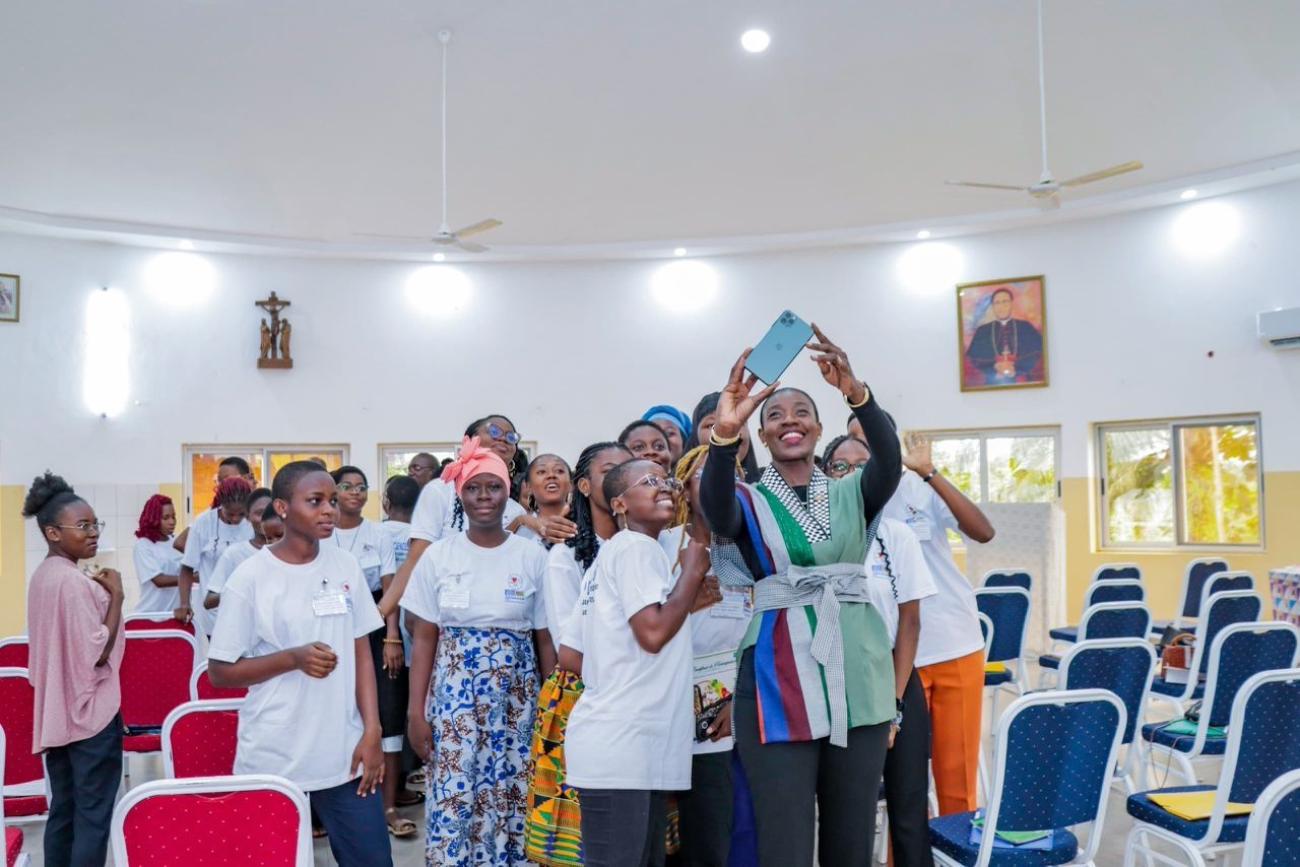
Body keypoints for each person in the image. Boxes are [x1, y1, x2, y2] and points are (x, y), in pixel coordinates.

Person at [700, 325, 902, 867]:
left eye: (801, 412)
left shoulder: (853, 491)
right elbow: (714, 509)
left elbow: (891, 460)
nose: (789, 420)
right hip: (773, 679)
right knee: (785, 842)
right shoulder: (747, 497)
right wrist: (723, 435)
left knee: (851, 837)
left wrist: (856, 391)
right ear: (762, 436)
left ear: (818, 427)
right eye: (774, 415)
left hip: (858, 675)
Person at [208, 461, 391, 867]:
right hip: (275, 754)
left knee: (373, 859)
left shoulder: (345, 566)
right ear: (283, 508)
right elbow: (220, 672)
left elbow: (362, 650)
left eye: (331, 500)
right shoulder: (251, 577)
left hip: (345, 754)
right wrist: (291, 659)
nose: (330, 509)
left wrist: (372, 731)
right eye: (315, 501)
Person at [402, 436, 556, 865]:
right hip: (454, 703)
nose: (483, 497)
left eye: (493, 487)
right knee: (456, 792)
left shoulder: (531, 557)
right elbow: (426, 636)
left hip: (518, 702)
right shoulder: (438, 557)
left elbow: (544, 638)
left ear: (510, 492)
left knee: (513, 792)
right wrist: (417, 712)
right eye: (473, 488)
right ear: (459, 493)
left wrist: (552, 710)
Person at [565, 458, 709, 867]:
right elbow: (652, 633)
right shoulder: (636, 548)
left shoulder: (609, 557)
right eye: (649, 482)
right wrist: (692, 575)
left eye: (665, 479)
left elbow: (571, 653)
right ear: (620, 504)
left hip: (620, 745)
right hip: (624, 748)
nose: (664, 486)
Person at [824, 436, 936, 867]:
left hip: (896, 680)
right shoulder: (817, 540)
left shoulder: (897, 536)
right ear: (825, 475)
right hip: (840, 685)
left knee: (908, 812)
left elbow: (910, 620)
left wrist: (894, 704)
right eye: (840, 466)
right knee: (851, 813)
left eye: (864, 466)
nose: (853, 475)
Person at [526, 441, 633, 867]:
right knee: (585, 840)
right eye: (611, 470)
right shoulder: (565, 556)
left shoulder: (651, 546)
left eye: (633, 468)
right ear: (585, 486)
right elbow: (569, 651)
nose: (626, 477)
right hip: (586, 701)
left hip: (638, 699)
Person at [879, 431, 994, 818]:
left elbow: (983, 532)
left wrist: (931, 473)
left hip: (953, 643)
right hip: (895, 660)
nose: (865, 450)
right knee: (904, 784)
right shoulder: (850, 499)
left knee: (956, 778)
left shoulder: (919, 486)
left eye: (870, 437)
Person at [23, 473, 125, 867]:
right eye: (82, 526)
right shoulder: (73, 583)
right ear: (52, 532)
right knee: (93, 817)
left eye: (95, 524)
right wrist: (116, 595)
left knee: (64, 810)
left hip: (59, 711)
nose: (93, 533)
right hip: (90, 716)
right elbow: (97, 653)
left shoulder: (44, 576)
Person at [664, 444, 752, 867]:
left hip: (733, 703)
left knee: (718, 833)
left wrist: (739, 699)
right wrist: (685, 603)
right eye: (705, 475)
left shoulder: (753, 547)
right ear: (682, 489)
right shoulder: (660, 545)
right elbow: (642, 631)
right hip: (667, 701)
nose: (719, 484)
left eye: (729, 476)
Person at [376, 415, 532, 620]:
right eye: (494, 431)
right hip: (437, 614)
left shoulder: (515, 510)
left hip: (493, 615)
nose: (503, 439)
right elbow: (416, 557)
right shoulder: (440, 491)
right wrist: (380, 614)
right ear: (469, 440)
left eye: (511, 437)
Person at [329, 465, 411, 838]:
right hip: (332, 625)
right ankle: (328, 809)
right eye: (347, 486)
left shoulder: (376, 534)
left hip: (377, 625)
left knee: (388, 712)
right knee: (338, 711)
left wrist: (392, 638)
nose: (356, 493)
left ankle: (388, 806)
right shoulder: (323, 533)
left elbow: (390, 587)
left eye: (362, 487)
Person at [176, 476, 253, 635]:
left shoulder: (254, 523)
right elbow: (187, 567)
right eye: (230, 514)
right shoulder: (203, 523)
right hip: (211, 611)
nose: (236, 519)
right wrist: (184, 604)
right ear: (220, 504)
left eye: (241, 513)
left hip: (248, 610)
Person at [204, 489, 282, 615]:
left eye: (270, 512)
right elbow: (209, 601)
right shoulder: (234, 553)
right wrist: (243, 588)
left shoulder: (292, 553)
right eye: (259, 513)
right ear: (248, 516)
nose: (265, 518)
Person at [963, 287, 1044, 386]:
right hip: (992, 383)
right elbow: (974, 359)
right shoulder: (983, 331)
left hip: (1022, 381)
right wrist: (995, 367)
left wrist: (1016, 368)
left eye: (1005, 301)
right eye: (997, 303)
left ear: (1011, 303)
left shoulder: (1025, 327)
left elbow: (1037, 354)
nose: (1001, 306)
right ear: (993, 306)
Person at [173, 456, 256, 553]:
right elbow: (180, 543)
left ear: (246, 478)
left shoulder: (258, 508)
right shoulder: (214, 512)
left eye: (226, 479)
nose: (220, 484)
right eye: (219, 480)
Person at [691, 392, 761, 483]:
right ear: (695, 437)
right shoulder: (676, 492)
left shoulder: (768, 489)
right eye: (711, 425)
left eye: (737, 423)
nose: (727, 432)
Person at [132, 493, 183, 613]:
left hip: (173, 615)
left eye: (173, 516)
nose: (172, 522)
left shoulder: (175, 542)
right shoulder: (143, 545)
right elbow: (159, 580)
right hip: (151, 615)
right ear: (153, 519)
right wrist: (190, 579)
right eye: (165, 518)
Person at [517, 453, 576, 546]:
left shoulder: (585, 527)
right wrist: (520, 520)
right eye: (541, 472)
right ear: (528, 486)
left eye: (559, 471)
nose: (551, 475)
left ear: (571, 484)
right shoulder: (519, 530)